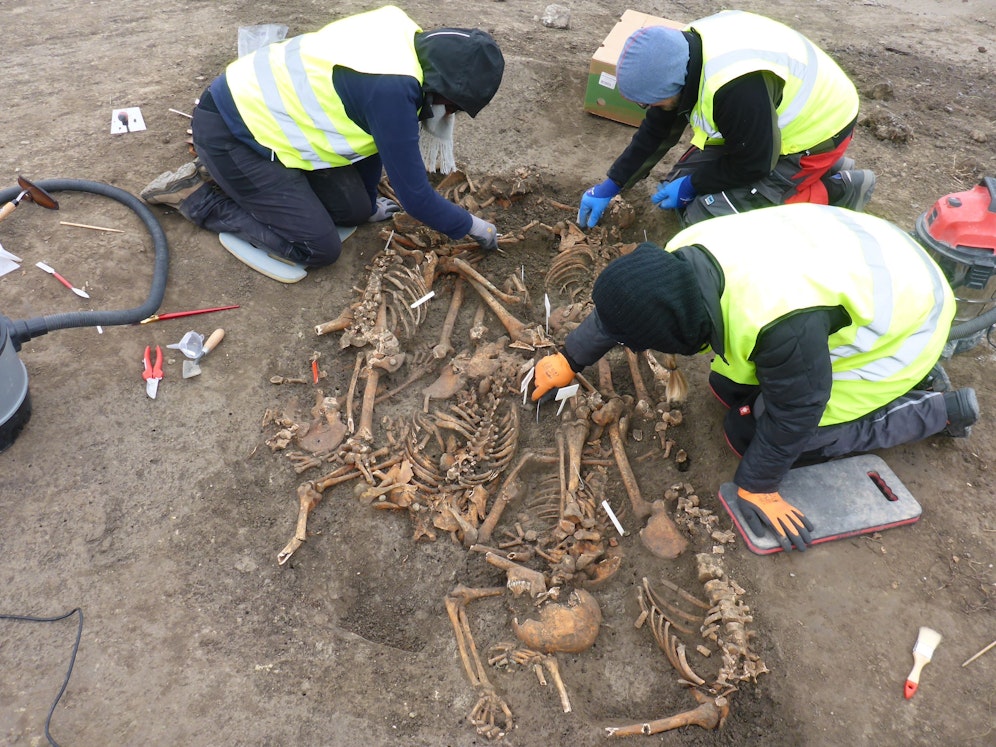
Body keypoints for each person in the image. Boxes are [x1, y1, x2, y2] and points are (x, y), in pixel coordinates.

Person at [531, 203, 979, 552]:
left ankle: (934, 409)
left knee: (751, 435)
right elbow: (632, 303)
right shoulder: (683, 255)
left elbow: (798, 409)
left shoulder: (779, 322)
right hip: (869, 253)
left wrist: (759, 485)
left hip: (906, 328)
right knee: (727, 389)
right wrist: (570, 357)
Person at [140, 5, 505, 271]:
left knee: (355, 212)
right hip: (231, 131)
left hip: (273, 124)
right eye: (453, 106)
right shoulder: (393, 91)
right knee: (318, 248)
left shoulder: (404, 34)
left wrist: (367, 204)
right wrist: (473, 227)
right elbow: (416, 198)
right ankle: (198, 195)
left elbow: (371, 135)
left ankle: (239, 179)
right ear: (444, 89)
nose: (450, 114)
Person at [578, 10, 876, 229]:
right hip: (761, 123)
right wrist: (613, 184)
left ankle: (838, 189)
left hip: (817, 132)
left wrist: (692, 186)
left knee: (706, 220)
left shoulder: (735, 86)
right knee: (676, 185)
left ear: (674, 86)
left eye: (650, 101)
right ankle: (817, 174)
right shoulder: (683, 52)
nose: (649, 108)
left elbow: (755, 163)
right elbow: (658, 127)